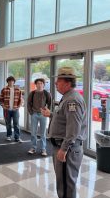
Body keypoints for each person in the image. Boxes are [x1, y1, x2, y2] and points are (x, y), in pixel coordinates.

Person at [41, 67, 87, 198]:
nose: (55, 83)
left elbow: (73, 129)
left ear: (67, 83)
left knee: (66, 185)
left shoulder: (72, 100)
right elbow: (65, 118)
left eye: (58, 81)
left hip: (68, 148)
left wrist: (64, 148)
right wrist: (50, 114)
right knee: (63, 183)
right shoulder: (67, 97)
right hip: (63, 146)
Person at [27, 78, 52, 156]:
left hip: (43, 115)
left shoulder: (46, 93)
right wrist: (31, 112)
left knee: (43, 133)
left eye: (41, 83)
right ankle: (33, 147)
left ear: (43, 84)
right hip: (34, 114)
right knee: (33, 132)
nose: (39, 85)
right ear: (36, 84)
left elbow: (50, 103)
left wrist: (47, 112)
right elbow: (28, 103)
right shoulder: (32, 93)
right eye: (38, 83)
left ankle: (43, 149)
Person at [0, 76, 23, 142]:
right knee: (8, 123)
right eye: (9, 81)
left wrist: (19, 106)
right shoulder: (4, 89)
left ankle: (17, 137)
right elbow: (1, 99)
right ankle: (9, 136)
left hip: (15, 110)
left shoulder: (18, 89)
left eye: (12, 81)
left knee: (16, 123)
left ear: (14, 82)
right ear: (8, 82)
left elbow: (21, 99)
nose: (11, 82)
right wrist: (3, 106)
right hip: (7, 109)